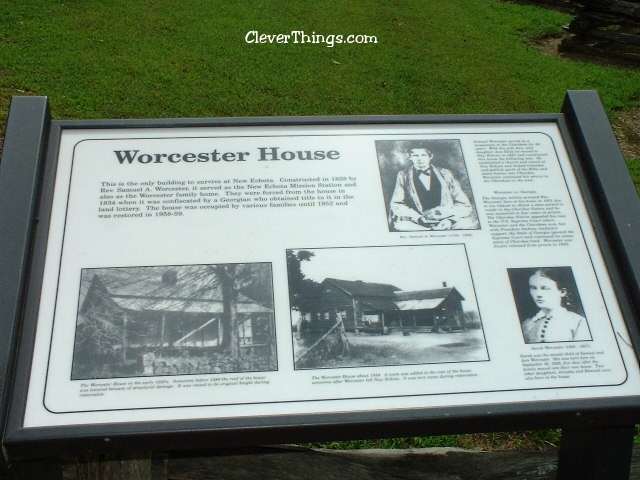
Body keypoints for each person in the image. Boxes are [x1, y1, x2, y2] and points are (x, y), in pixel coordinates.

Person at [388, 145, 477, 231]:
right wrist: (418, 218)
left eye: (423, 155)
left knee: (469, 223)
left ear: (430, 156)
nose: (419, 159)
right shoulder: (403, 175)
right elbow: (397, 204)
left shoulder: (446, 174)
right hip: (418, 223)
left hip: (445, 219)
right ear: (410, 157)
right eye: (415, 155)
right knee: (402, 226)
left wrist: (450, 220)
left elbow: (464, 204)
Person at [521, 268, 591, 343]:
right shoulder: (526, 324)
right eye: (533, 288)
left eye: (545, 288)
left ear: (562, 292)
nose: (538, 294)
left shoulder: (577, 322)